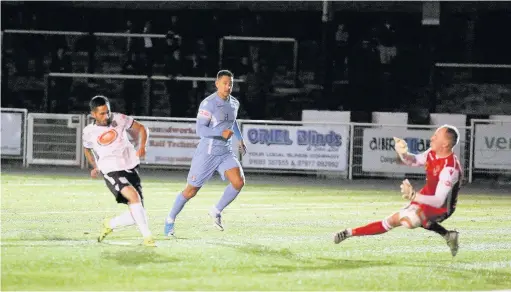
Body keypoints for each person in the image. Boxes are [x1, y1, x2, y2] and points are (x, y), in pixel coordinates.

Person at [333, 125, 461, 256]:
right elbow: (414, 161)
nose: (432, 138)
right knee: (391, 221)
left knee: (411, 219)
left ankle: (445, 233)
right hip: (426, 195)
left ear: (445, 144)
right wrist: (403, 153)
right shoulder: (432, 152)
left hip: (442, 208)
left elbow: (439, 201)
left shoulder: (450, 169)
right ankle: (349, 232)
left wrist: (413, 196)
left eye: (436, 136)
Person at [164, 70, 247, 236]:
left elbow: (232, 122)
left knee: (238, 182)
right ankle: (170, 220)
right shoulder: (208, 103)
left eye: (231, 83)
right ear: (216, 84)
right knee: (190, 191)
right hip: (207, 153)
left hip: (225, 152)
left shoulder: (234, 103)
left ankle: (216, 210)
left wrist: (239, 139)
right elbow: (200, 130)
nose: (228, 86)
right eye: (224, 83)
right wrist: (219, 134)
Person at [82, 95, 156, 247]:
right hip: (111, 170)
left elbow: (142, 128)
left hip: (130, 166)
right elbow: (87, 149)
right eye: (102, 113)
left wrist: (142, 146)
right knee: (134, 198)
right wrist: (95, 166)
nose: (106, 116)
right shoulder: (89, 131)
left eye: (107, 112)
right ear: (93, 114)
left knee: (137, 211)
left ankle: (110, 223)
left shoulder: (120, 119)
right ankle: (148, 238)